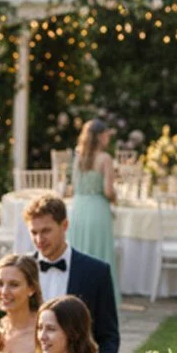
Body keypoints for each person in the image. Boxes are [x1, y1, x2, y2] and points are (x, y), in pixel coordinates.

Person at [23, 194, 120, 353]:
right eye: (33, 232)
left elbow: (108, 336)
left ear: (64, 225)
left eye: (46, 231)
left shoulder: (96, 272)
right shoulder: (22, 270)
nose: (39, 239)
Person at [68, 120, 119, 304]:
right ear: (99, 136)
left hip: (79, 208)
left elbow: (73, 187)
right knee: (99, 252)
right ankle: (101, 297)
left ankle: (78, 295)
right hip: (97, 208)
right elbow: (108, 191)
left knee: (80, 249)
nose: (108, 138)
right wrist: (116, 198)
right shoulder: (105, 158)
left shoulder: (78, 156)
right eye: (106, 134)